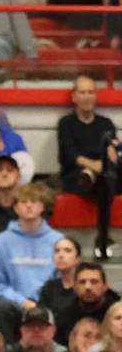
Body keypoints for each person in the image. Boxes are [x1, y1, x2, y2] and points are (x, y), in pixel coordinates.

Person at [0, 183, 61, 343]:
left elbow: (61, 279)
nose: (28, 206)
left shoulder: (57, 240)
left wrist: (42, 304)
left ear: (42, 206)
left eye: (34, 201)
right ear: (15, 208)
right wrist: (24, 302)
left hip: (48, 302)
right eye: (23, 201)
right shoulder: (2, 240)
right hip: (16, 304)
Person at [58, 73, 117, 260]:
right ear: (74, 97)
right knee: (97, 179)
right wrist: (93, 166)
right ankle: (103, 239)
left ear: (96, 95)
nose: (87, 96)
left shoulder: (106, 124)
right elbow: (69, 155)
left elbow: (113, 152)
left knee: (105, 180)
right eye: (82, 92)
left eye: (91, 92)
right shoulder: (66, 123)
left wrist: (103, 165)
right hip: (75, 176)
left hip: (104, 175)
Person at [54, 260, 120, 345]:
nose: (88, 287)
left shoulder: (117, 313)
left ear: (105, 286)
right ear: (74, 287)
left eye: (94, 282)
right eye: (82, 282)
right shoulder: (63, 316)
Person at [37, 235, 81, 337]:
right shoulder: (49, 287)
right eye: (57, 251)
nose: (61, 255)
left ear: (78, 258)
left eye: (67, 251)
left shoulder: (85, 286)